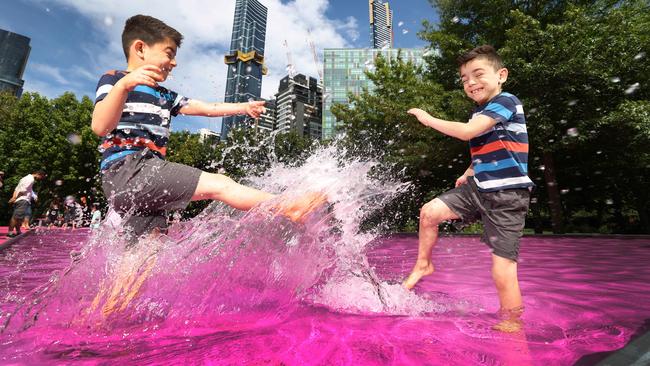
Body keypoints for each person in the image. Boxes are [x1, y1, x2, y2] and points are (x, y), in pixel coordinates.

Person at [87, 15, 324, 317]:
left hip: (144, 189)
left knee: (140, 259)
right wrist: (123, 86)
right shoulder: (114, 79)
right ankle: (289, 206)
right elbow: (100, 126)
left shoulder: (165, 95)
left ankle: (102, 318)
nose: (173, 63)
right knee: (219, 185)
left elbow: (207, 108)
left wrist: (243, 107)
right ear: (140, 48)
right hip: (130, 170)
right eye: (169, 53)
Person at [403, 45, 533, 332]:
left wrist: (428, 119)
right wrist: (469, 170)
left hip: (507, 194)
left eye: (477, 74)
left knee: (502, 269)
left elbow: (468, 133)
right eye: (464, 79)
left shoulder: (507, 101)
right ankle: (424, 264)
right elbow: (487, 148)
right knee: (430, 212)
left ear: (501, 75)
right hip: (478, 187)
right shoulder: (481, 111)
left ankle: (512, 322)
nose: (470, 83)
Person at [7, 170, 46, 237]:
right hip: (23, 199)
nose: (41, 179)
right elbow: (23, 191)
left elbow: (17, 188)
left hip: (20, 199)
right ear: (38, 174)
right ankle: (10, 232)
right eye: (41, 177)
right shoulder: (31, 180)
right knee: (16, 217)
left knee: (19, 217)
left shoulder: (25, 178)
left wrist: (14, 197)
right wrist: (14, 198)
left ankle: (18, 231)